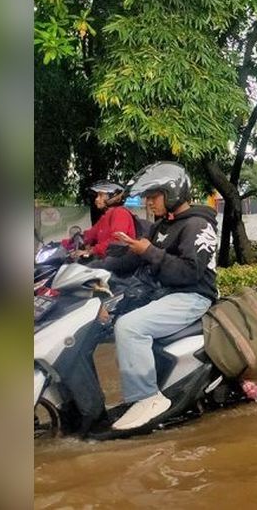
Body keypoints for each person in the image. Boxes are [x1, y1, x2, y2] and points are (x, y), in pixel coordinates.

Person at [95, 161, 219, 431]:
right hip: (164, 294)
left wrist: (149, 251)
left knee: (129, 327)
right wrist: (92, 268)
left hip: (192, 296)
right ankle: (144, 388)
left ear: (172, 193)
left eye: (154, 196)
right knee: (109, 323)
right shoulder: (162, 225)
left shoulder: (198, 225)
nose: (149, 203)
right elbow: (131, 260)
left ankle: (147, 398)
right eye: (148, 197)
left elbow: (189, 273)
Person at [64, 181, 137, 259]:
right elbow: (90, 234)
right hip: (107, 259)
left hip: (120, 259)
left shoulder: (120, 213)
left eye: (100, 195)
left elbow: (116, 241)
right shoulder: (106, 216)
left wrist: (91, 251)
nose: (96, 199)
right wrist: (63, 244)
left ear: (114, 196)